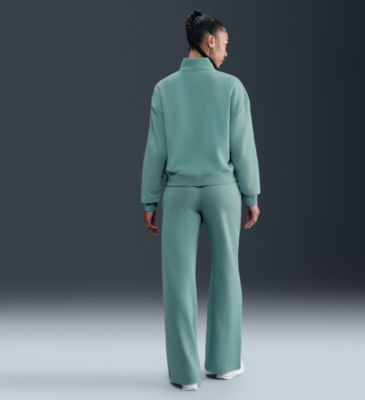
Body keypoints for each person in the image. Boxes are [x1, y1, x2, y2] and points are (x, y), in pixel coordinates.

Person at [140, 9, 261, 391]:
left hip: (178, 193)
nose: (226, 51)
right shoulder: (232, 88)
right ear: (209, 41)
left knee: (178, 281)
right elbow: (243, 147)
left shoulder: (164, 89)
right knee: (227, 273)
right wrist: (251, 194)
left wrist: (149, 200)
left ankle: (184, 374)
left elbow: (155, 151)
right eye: (224, 44)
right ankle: (224, 364)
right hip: (223, 191)